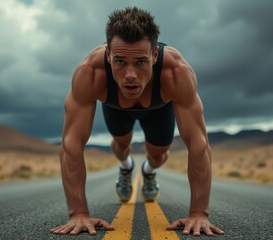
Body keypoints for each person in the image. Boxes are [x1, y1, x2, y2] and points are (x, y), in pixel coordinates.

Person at [50, 6, 224, 237]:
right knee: (121, 146)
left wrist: (199, 213)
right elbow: (71, 142)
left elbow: (198, 142)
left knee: (158, 155)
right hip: (116, 108)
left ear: (154, 56)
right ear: (109, 56)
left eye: (140, 62)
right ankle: (126, 168)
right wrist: (78, 213)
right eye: (120, 61)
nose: (130, 74)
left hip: (159, 109)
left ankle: (148, 172)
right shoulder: (91, 72)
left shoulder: (175, 72)